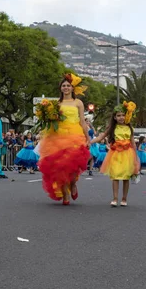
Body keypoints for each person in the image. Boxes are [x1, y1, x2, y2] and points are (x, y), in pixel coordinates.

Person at [38, 74, 91, 205]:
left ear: (73, 88)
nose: (66, 87)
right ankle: (65, 193)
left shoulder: (78, 103)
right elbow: (50, 121)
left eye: (68, 85)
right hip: (58, 136)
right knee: (60, 166)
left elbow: (83, 122)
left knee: (73, 165)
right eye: (63, 85)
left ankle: (72, 184)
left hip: (75, 135)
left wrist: (88, 137)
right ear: (60, 88)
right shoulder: (56, 104)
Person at [91, 102, 140, 207]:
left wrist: (136, 157)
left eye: (123, 115)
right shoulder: (112, 128)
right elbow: (100, 137)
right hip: (116, 154)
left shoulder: (130, 128)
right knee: (115, 176)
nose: (121, 117)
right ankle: (115, 198)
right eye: (118, 115)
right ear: (114, 117)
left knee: (126, 177)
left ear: (126, 115)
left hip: (128, 154)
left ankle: (124, 198)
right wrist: (89, 142)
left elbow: (133, 143)